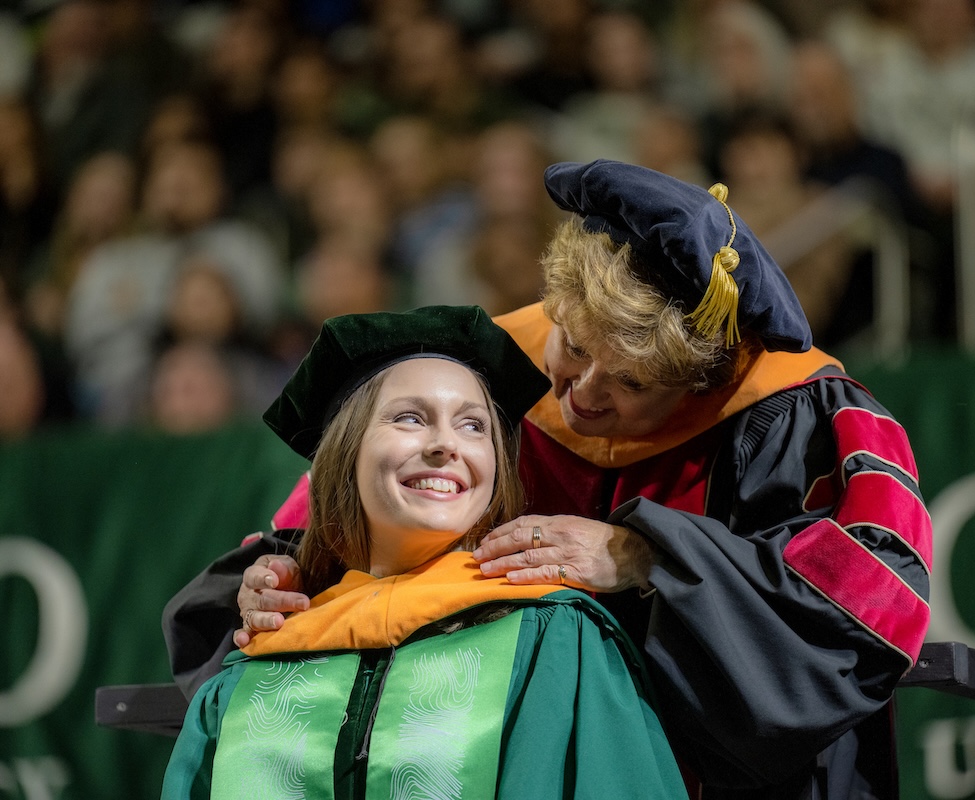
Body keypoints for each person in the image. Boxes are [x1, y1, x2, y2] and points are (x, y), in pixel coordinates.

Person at [167, 161, 931, 799]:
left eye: (630, 383)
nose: (582, 394)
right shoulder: (477, 380)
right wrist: (279, 576)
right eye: (573, 345)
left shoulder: (794, 411)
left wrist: (645, 558)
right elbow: (319, 529)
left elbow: (858, 619)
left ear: (703, 378)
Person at [160, 305, 687, 799]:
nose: (445, 444)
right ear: (348, 450)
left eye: (473, 425)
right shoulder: (260, 659)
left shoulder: (554, 637)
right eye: (410, 418)